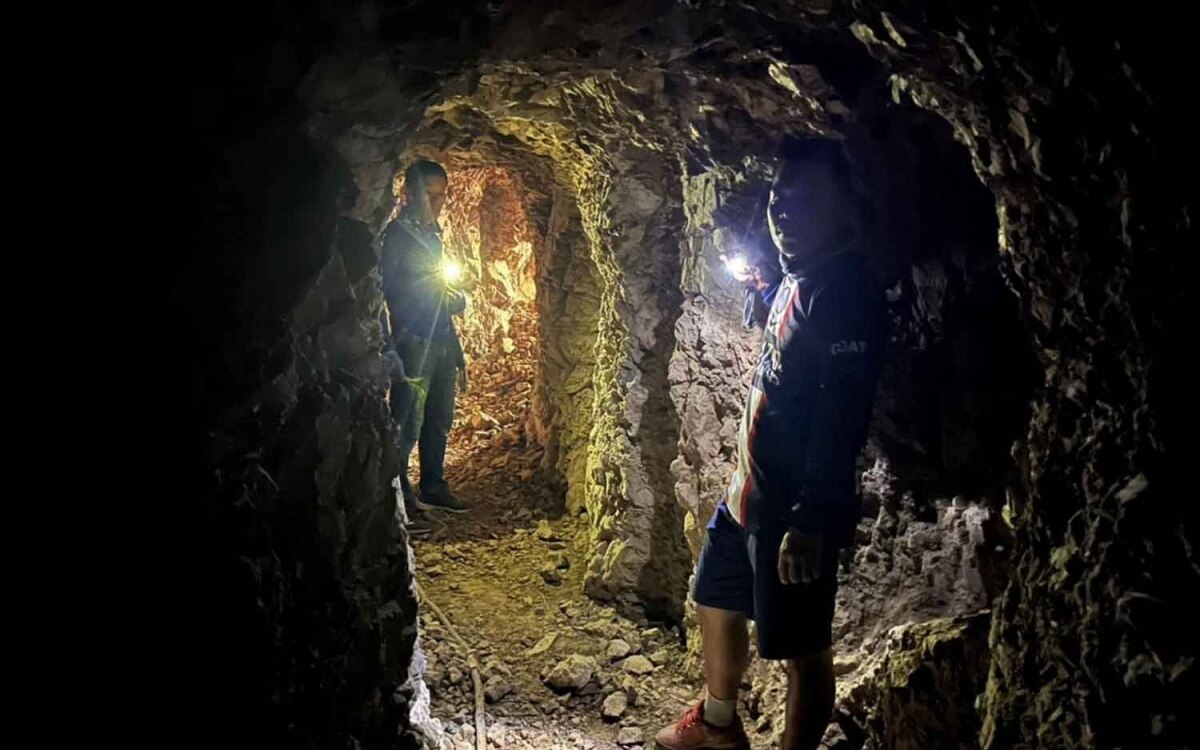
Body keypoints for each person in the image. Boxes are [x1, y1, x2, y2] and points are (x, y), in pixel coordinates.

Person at [655, 138, 887, 750]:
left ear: (842, 206)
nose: (783, 212)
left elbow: (841, 417)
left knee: (802, 649)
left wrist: (810, 519)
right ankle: (718, 725)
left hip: (791, 506)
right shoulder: (796, 276)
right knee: (715, 596)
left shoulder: (843, 294)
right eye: (779, 199)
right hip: (748, 495)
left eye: (803, 199)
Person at [380, 158, 471, 517]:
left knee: (439, 416)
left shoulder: (433, 235)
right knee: (407, 421)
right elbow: (388, 289)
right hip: (415, 339)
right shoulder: (397, 237)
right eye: (428, 195)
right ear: (407, 193)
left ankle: (433, 485)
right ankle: (401, 501)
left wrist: (451, 304)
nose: (436, 203)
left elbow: (438, 287)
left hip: (441, 338)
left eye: (442, 196)